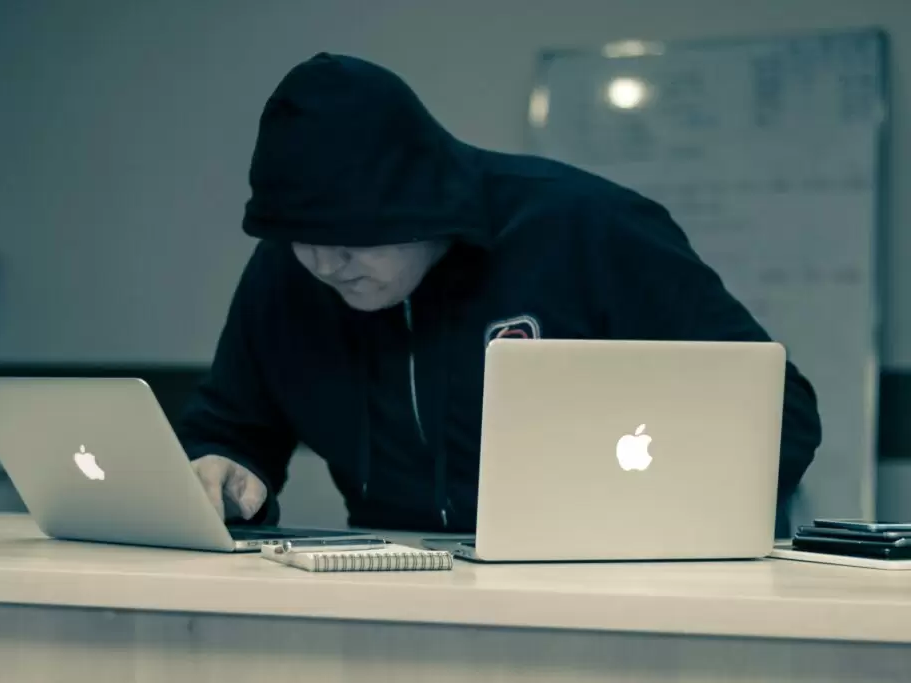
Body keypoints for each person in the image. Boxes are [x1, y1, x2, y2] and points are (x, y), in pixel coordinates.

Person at [177, 53, 821, 536]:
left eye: (350, 238)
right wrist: (223, 469)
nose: (324, 263)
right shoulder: (287, 273)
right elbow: (230, 429)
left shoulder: (588, 229)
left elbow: (777, 412)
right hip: (396, 588)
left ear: (423, 206)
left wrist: (658, 529)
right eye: (299, 238)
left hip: (611, 580)